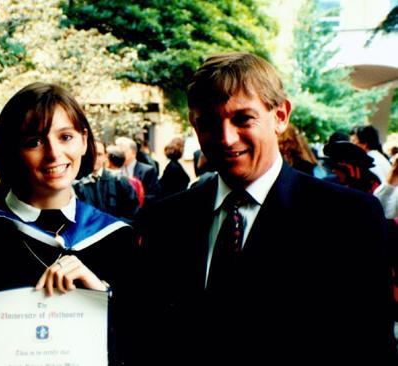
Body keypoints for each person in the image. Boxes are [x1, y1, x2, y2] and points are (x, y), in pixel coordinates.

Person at [136, 52, 396, 364]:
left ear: (281, 116)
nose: (226, 138)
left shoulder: (348, 218)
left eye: (243, 119)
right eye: (208, 122)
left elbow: (371, 348)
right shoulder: (164, 221)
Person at [0, 82, 139, 364]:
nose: (54, 153)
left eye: (66, 137)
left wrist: (101, 296)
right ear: (11, 151)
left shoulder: (118, 239)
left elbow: (140, 341)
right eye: (35, 142)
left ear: (84, 140)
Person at [74, 141, 140, 223]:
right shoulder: (77, 185)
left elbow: (133, 212)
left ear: (105, 156)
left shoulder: (119, 181)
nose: (95, 158)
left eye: (99, 154)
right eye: (91, 153)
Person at [115, 136, 160, 206]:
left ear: (133, 152)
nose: (120, 154)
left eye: (123, 151)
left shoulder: (147, 170)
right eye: (118, 152)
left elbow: (154, 195)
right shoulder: (114, 169)